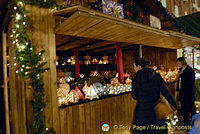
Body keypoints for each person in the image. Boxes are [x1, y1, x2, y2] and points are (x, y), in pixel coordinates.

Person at [131, 58, 177, 134]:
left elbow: (134, 96)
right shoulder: (156, 76)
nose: (134, 69)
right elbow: (166, 92)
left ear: (139, 67)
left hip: (142, 112)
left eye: (134, 67)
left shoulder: (136, 79)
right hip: (156, 110)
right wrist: (174, 105)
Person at [176, 57, 196, 126]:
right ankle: (186, 122)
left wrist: (181, 75)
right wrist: (177, 90)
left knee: (191, 108)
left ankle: (194, 122)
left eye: (179, 63)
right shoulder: (180, 70)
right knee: (184, 108)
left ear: (183, 62)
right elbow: (179, 82)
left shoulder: (190, 70)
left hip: (189, 93)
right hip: (182, 92)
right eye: (177, 63)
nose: (177, 65)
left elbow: (190, 81)